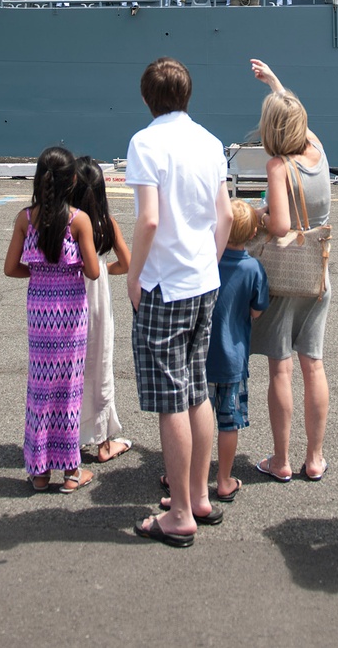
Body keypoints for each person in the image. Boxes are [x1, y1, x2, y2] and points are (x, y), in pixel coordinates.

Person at [126, 58, 233, 547]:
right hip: (202, 281)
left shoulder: (145, 143)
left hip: (164, 285)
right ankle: (200, 496)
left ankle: (181, 516)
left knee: (172, 399)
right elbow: (225, 214)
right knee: (197, 392)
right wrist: (206, 261)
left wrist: (133, 275)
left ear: (148, 98)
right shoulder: (211, 143)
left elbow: (148, 220)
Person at [249, 59, 331, 484]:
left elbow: (280, 226)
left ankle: (281, 460)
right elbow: (296, 113)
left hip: (285, 275)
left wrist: (255, 215)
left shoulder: (279, 166)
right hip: (317, 274)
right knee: (312, 364)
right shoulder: (318, 151)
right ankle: (314, 458)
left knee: (280, 367)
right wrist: (277, 83)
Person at [3, 146, 100, 492]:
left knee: (40, 388)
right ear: (72, 180)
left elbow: (11, 268)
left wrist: (41, 275)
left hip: (39, 313)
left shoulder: (25, 219)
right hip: (71, 313)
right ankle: (72, 471)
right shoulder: (79, 220)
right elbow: (92, 271)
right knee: (69, 389)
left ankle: (39, 471)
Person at [206, 198, 269, 502]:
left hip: (201, 357)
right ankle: (224, 478)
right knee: (228, 422)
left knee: (197, 418)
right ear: (253, 232)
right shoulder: (254, 269)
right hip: (234, 358)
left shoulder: (208, 261)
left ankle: (188, 474)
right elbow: (257, 311)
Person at [71, 156, 132, 463]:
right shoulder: (105, 223)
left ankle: (71, 434)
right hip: (97, 298)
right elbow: (128, 263)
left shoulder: (67, 222)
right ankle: (104, 442)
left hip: (68, 297)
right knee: (100, 363)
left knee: (73, 367)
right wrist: (106, 268)